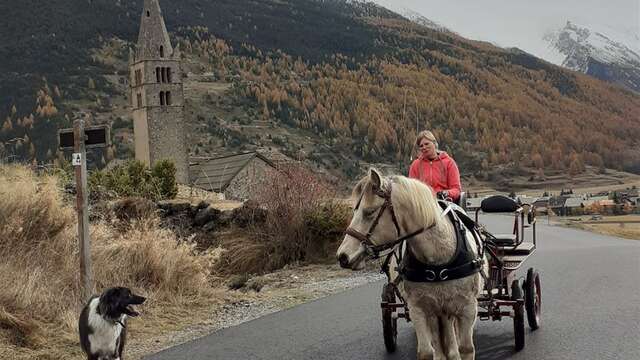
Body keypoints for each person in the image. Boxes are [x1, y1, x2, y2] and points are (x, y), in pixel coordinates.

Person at [408, 130, 462, 202]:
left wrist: (447, 193)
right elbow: (411, 189)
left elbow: (456, 189)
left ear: (434, 143)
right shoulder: (415, 165)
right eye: (421, 146)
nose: (424, 147)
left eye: (426, 144)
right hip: (423, 203)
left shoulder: (449, 163)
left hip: (444, 202)